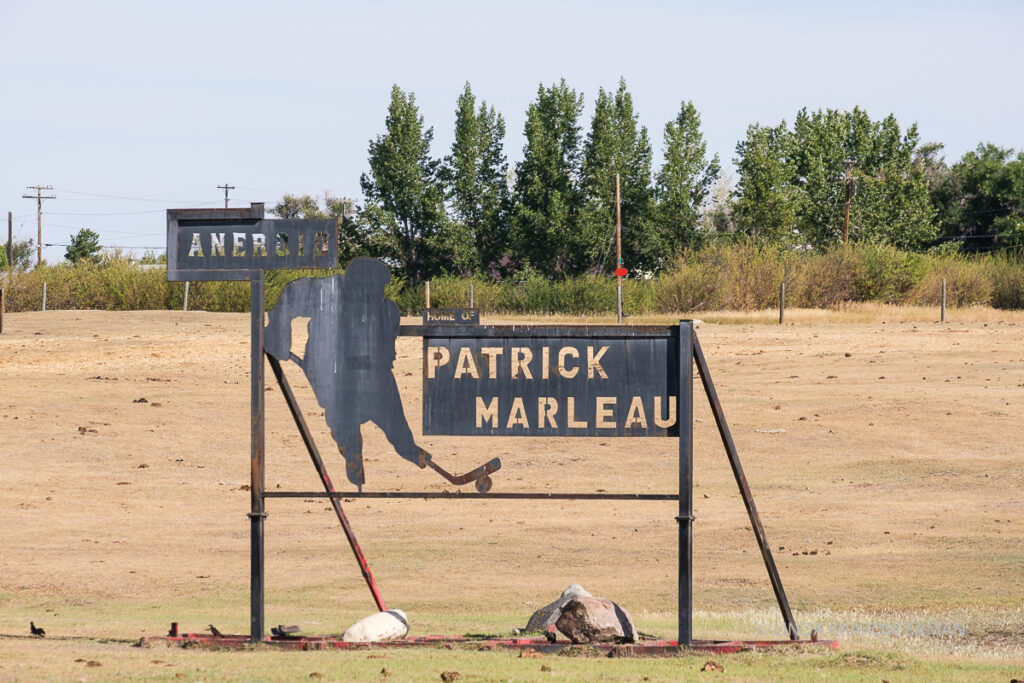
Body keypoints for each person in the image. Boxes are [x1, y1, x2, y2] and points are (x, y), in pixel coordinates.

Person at [264, 258, 430, 488]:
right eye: (374, 287)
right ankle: (358, 453)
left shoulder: (386, 310)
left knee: (393, 428)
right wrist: (278, 334)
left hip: (372, 381)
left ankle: (405, 450)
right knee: (348, 423)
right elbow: (292, 296)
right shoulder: (330, 293)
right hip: (346, 380)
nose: (377, 293)